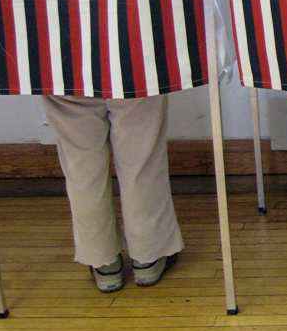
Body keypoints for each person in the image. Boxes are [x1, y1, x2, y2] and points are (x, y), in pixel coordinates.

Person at [42, 95, 182, 293]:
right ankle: (148, 256)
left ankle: (103, 262)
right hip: (135, 67)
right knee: (141, 159)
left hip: (66, 68)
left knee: (81, 167)